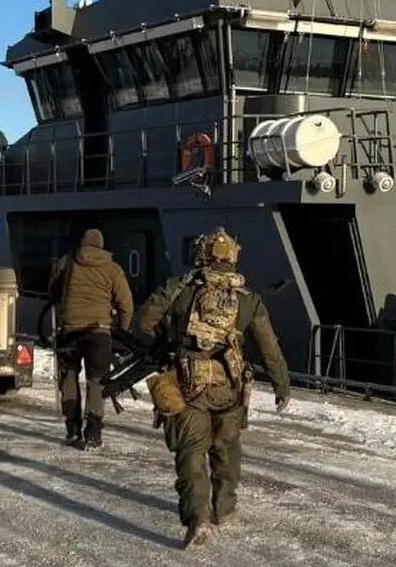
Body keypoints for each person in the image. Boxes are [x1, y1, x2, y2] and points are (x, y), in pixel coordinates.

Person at [133, 227, 290, 549]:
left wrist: (166, 344)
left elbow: (142, 323)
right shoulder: (249, 299)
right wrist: (281, 385)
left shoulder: (179, 289)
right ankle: (225, 510)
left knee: (191, 451)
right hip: (230, 386)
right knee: (226, 448)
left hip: (187, 382)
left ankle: (198, 519)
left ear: (201, 255)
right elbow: (269, 348)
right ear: (233, 257)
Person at [49, 228, 133, 449]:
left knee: (69, 376)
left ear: (82, 242)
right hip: (99, 331)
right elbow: (126, 304)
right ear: (101, 245)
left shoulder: (67, 262)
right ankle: (93, 432)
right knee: (96, 381)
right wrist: (122, 330)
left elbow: (53, 290)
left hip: (70, 330)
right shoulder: (113, 268)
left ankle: (72, 428)